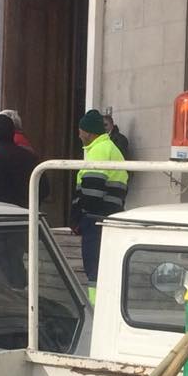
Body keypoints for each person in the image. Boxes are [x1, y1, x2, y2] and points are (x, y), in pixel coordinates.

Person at [73, 108, 128, 294]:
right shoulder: (110, 148)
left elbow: (92, 192)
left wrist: (79, 217)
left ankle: (96, 307)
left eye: (80, 131)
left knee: (95, 271)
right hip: (109, 217)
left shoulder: (99, 150)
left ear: (88, 132)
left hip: (96, 221)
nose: (79, 135)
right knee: (106, 270)